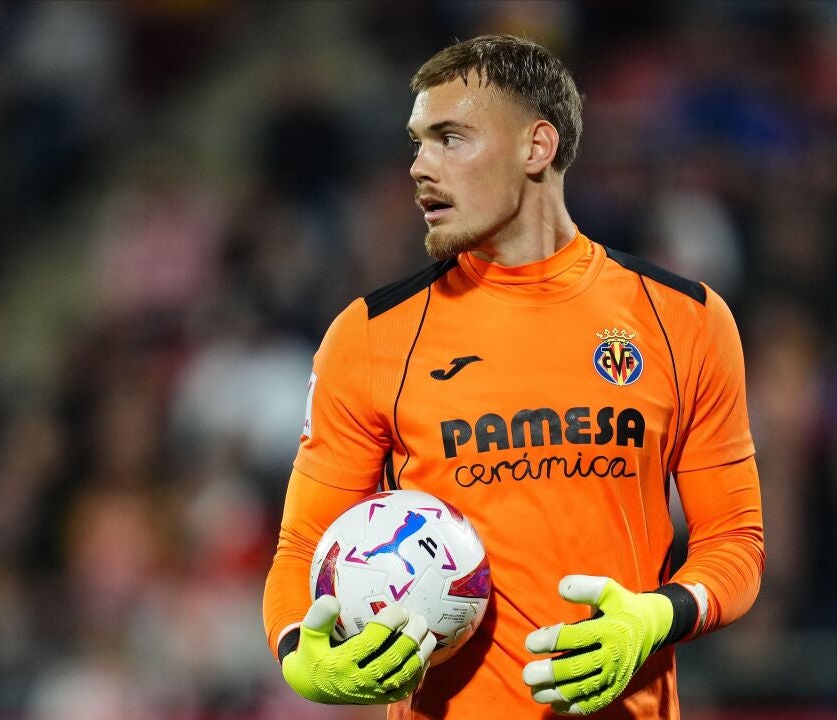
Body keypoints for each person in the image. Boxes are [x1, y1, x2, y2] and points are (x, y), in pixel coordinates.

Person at [262, 35, 764, 719]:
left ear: (537, 147)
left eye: (449, 139)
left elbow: (734, 542)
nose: (419, 167)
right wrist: (302, 656)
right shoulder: (370, 337)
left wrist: (655, 616)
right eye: (417, 143)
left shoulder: (684, 318)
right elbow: (301, 547)